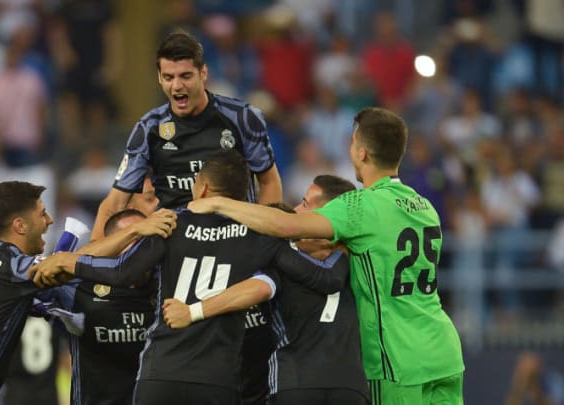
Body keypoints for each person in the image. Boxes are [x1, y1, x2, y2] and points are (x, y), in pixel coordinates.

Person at [188, 107, 465, 405]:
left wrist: (219, 204)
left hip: (399, 359)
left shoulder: (359, 206)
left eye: (352, 142)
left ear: (361, 153)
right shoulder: (424, 206)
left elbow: (287, 225)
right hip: (445, 350)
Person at [30, 150, 348, 405]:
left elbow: (122, 270)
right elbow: (320, 278)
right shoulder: (261, 235)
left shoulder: (171, 222)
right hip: (217, 380)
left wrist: (69, 262)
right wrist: (339, 249)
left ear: (203, 188)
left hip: (160, 374)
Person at [0, 181, 176, 405]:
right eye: (42, 213)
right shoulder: (17, 269)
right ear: (20, 225)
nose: (50, 220)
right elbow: (67, 262)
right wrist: (137, 230)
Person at [164, 175, 369, 405]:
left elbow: (255, 290)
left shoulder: (281, 260)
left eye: (304, 203)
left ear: (330, 216)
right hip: (351, 386)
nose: (295, 210)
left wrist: (192, 312)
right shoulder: (361, 260)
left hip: (295, 383)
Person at [90, 29, 282, 241]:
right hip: (175, 242)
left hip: (234, 240)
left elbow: (269, 181)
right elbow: (115, 202)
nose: (177, 85)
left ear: (204, 74)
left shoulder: (243, 118)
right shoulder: (149, 128)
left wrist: (264, 241)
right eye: (168, 77)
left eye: (185, 76)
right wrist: (91, 256)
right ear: (159, 79)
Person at [49, 209, 156, 405]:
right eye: (132, 239)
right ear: (111, 246)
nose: (140, 251)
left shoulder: (167, 284)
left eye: (146, 241)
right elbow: (44, 277)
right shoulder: (81, 288)